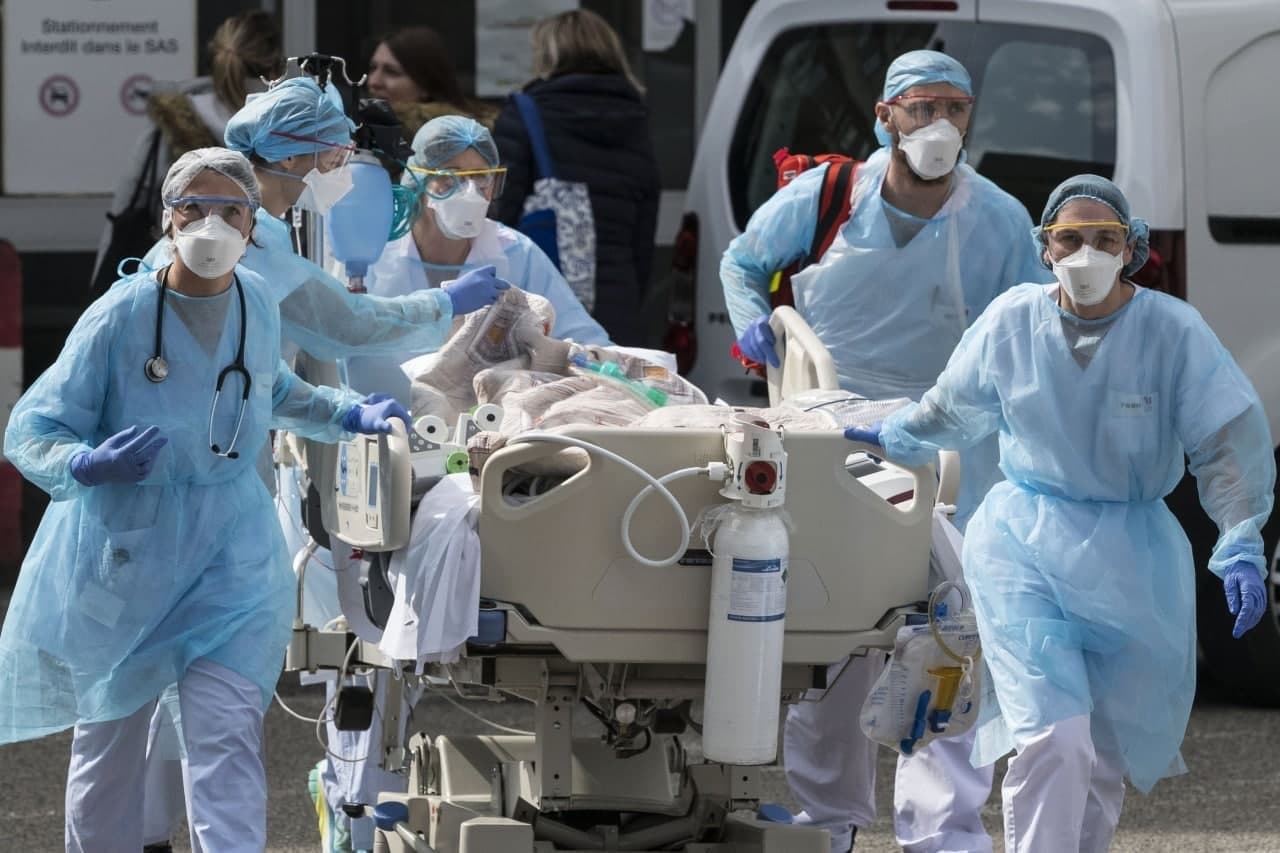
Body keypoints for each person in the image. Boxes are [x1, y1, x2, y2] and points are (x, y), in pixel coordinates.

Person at [129, 78, 511, 852]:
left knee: (180, 700)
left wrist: (338, 411)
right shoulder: (256, 244)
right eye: (336, 156)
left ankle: (146, 832)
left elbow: (281, 371)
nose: (344, 170)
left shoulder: (255, 236)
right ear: (297, 156)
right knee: (209, 703)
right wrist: (447, 306)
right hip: (201, 497)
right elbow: (345, 324)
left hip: (200, 490)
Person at [0, 147, 413, 853]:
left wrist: (344, 411)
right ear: (169, 218)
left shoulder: (254, 300)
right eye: (194, 207)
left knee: (225, 734)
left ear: (254, 224)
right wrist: (86, 463)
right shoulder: (122, 315)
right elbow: (33, 427)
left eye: (231, 209)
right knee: (110, 750)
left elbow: (269, 388)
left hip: (230, 557)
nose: (211, 224)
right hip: (129, 557)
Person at [847, 174, 1274, 852]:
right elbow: (952, 407)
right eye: (1070, 239)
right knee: (1055, 737)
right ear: (1044, 248)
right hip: (1024, 546)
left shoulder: (1171, 332)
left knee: (1100, 758)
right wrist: (895, 436)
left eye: (1104, 238)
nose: (1086, 254)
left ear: (1131, 249)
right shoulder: (1014, 321)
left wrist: (1241, 537)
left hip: (1130, 560)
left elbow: (1225, 443)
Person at [721, 51, 1049, 852]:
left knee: (952, 632)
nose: (939, 124)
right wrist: (752, 322)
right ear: (885, 115)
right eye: (922, 106)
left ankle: (944, 827)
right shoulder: (829, 195)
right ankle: (828, 815)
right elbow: (743, 260)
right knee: (839, 627)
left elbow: (1029, 330)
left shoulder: (999, 219)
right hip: (834, 429)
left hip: (951, 444)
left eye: (955, 108)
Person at [306, 115, 610, 847]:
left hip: (480, 462)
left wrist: (553, 360)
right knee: (367, 651)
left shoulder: (518, 256)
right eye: (449, 179)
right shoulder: (366, 258)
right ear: (416, 183)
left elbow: (588, 347)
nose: (467, 194)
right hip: (377, 458)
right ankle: (352, 799)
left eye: (482, 180)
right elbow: (322, 347)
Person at [492, 8, 661, 346]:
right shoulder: (634, 119)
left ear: (548, 54)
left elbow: (499, 217)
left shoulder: (525, 114)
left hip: (542, 308)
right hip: (618, 302)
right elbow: (642, 237)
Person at [94, 10, 284, 287]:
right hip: (262, 286)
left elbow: (126, 207)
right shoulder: (289, 133)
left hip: (173, 285)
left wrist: (101, 287)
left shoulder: (169, 126)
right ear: (276, 69)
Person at [366, 26, 497, 140]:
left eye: (392, 72)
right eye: (373, 68)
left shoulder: (458, 142)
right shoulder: (363, 130)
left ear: (425, 85)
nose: (373, 82)